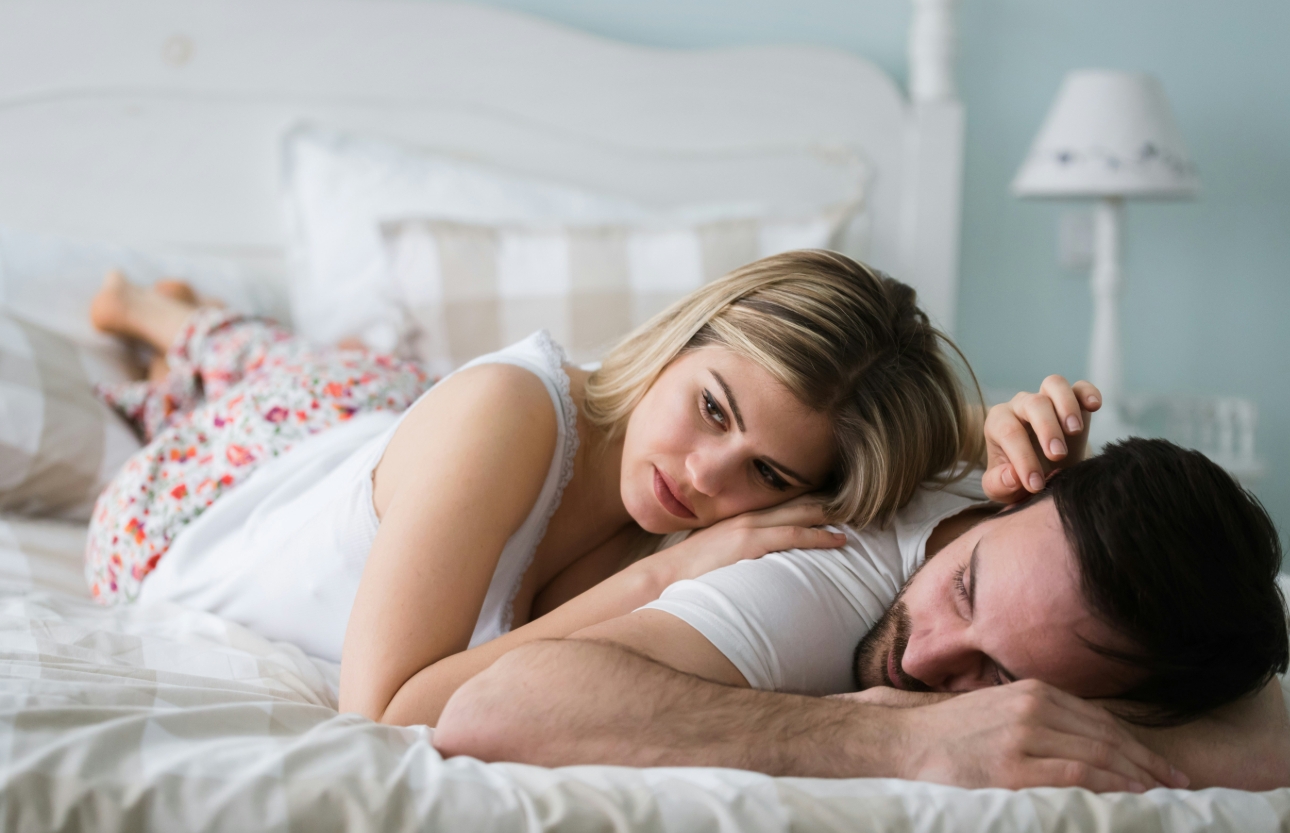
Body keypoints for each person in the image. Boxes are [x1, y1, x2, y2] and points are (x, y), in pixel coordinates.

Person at [84, 249, 993, 727]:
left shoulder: (691, 488)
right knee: (300, 377)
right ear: (684, 335)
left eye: (768, 472)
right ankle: (157, 313)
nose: (704, 476)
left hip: (391, 429)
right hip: (210, 500)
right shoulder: (504, 412)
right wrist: (657, 577)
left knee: (363, 382)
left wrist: (1006, 430)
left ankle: (188, 331)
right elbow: (383, 709)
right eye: (712, 408)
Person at [432, 423, 1290, 792]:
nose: (921, 658)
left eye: (997, 677)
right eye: (964, 587)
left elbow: (1266, 737)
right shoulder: (818, 579)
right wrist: (896, 736)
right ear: (1009, 498)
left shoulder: (1153, 619)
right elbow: (493, 707)